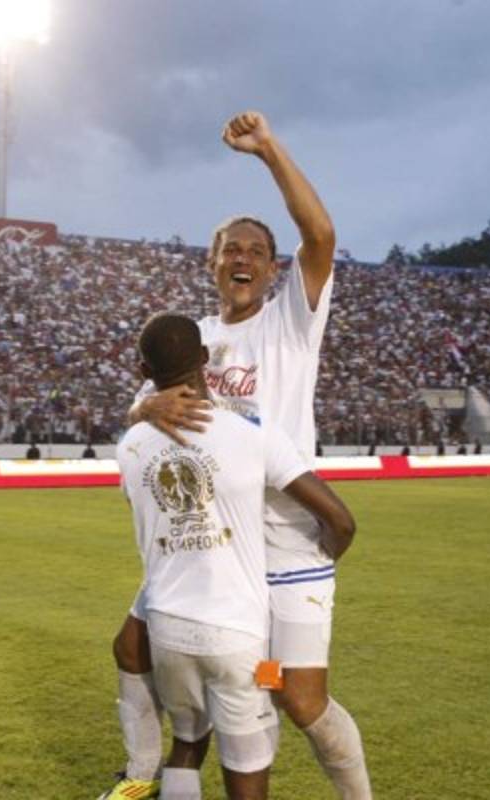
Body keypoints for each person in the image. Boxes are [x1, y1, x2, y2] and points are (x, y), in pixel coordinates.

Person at [102, 111, 373, 799]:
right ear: (212, 262)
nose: (243, 258)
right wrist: (143, 408)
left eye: (256, 250)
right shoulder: (191, 338)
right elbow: (138, 415)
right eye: (231, 249)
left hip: (284, 540)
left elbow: (322, 235)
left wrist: (268, 149)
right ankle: (138, 779)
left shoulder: (290, 321)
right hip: (211, 540)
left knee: (299, 699)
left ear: (273, 268)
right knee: (134, 647)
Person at [117, 314, 356, 800]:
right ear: (206, 359)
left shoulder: (130, 447)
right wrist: (319, 559)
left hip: (167, 627)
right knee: (246, 769)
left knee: (187, 742)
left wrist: (141, 412)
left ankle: (140, 774)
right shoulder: (250, 433)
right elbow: (342, 522)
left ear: (144, 370)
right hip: (235, 633)